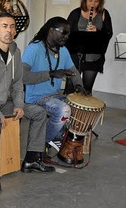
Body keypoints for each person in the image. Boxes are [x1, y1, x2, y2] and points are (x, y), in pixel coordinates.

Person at [0, 13, 54, 192]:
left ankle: (31, 159)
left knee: (38, 113)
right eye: (4, 26)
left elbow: (17, 83)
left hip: (4, 102)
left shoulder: (15, 51)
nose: (9, 30)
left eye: (12, 26)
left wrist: (19, 105)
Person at [21, 17, 86, 148]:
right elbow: (22, 77)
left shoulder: (63, 51)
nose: (67, 36)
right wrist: (50, 74)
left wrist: (79, 86)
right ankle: (42, 143)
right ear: (51, 31)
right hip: (36, 98)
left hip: (55, 96)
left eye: (68, 33)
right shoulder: (34, 49)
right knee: (64, 110)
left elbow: (74, 72)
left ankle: (58, 138)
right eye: (64, 32)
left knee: (81, 107)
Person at [64, 0, 113, 94]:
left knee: (87, 88)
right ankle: (67, 110)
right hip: (75, 54)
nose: (93, 4)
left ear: (100, 2)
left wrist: (97, 32)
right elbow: (66, 32)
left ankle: (84, 111)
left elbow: (109, 33)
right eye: (90, 1)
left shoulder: (104, 14)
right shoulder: (76, 13)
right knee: (70, 86)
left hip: (93, 56)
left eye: (96, 1)